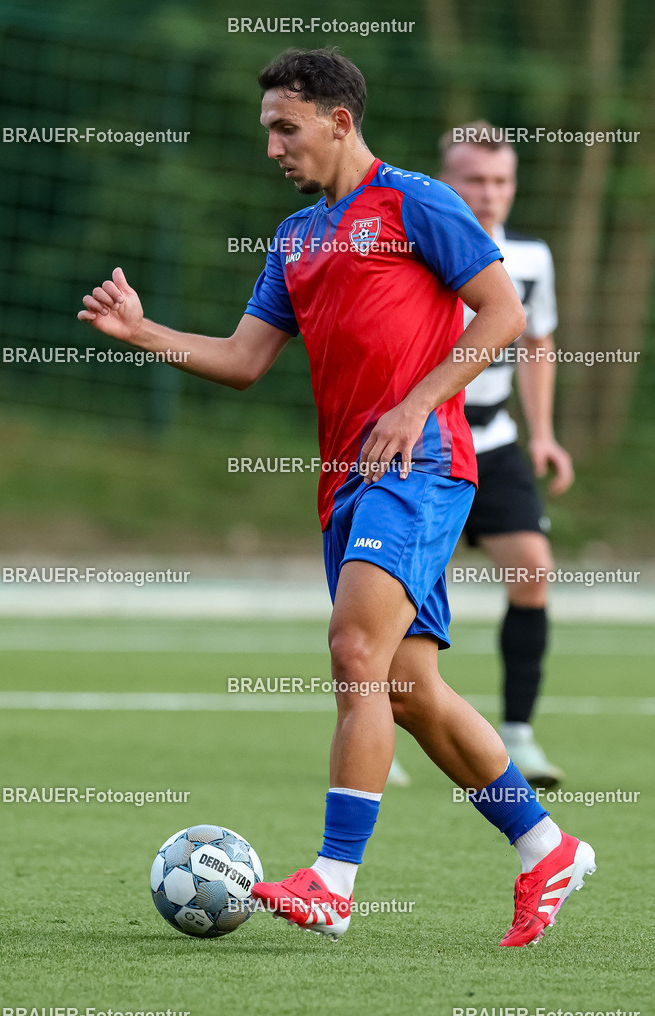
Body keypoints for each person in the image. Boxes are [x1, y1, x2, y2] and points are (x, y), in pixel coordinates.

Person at [78, 49, 595, 947]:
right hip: (346, 484)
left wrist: (416, 402)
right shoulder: (295, 238)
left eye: (286, 127)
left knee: (355, 649)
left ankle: (332, 880)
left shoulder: (416, 202)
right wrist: (141, 330)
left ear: (338, 122)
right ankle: (544, 846)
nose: (273, 145)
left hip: (424, 465)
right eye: (267, 130)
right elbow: (243, 361)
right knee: (407, 688)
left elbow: (503, 314)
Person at [439, 122, 573, 788]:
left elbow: (537, 346)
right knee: (395, 599)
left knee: (532, 569)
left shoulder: (530, 259)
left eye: (500, 181)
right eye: (473, 180)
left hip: (493, 441)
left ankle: (517, 734)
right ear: (445, 181)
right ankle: (374, 721)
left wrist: (543, 433)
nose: (488, 194)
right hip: (424, 441)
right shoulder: (418, 249)